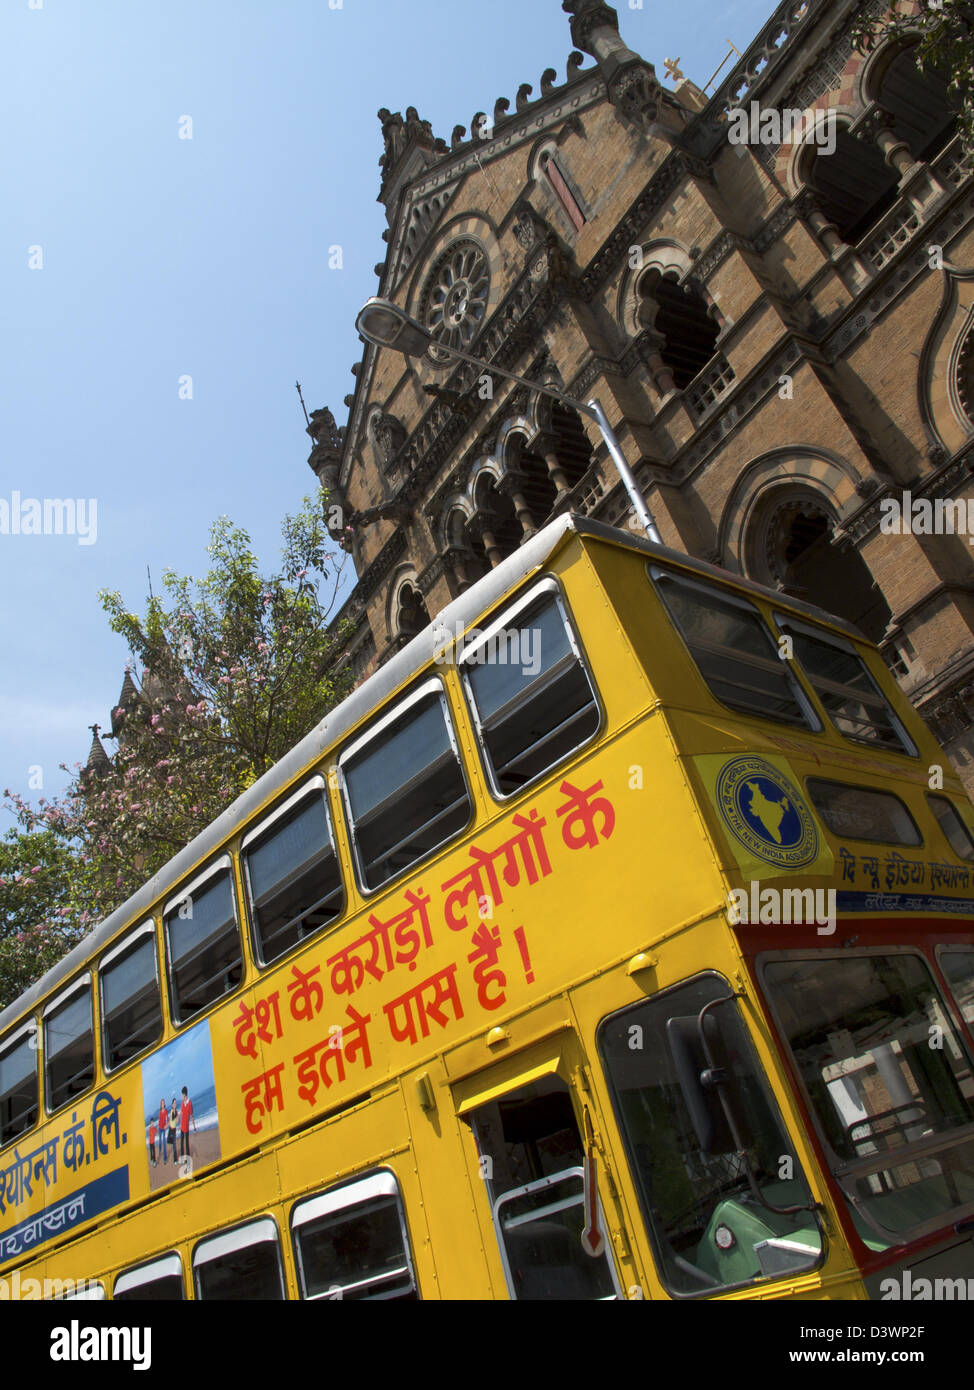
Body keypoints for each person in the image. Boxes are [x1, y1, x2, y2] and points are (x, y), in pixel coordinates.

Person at [179, 1086, 194, 1159]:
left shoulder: (190, 1104)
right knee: (181, 1142)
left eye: (182, 1095)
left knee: (186, 1143)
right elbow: (181, 1113)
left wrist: (194, 1129)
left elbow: (192, 1116)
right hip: (182, 1126)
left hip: (186, 1127)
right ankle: (182, 1157)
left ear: (184, 1095)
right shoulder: (182, 1103)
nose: (181, 1096)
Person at [169, 1097, 179, 1164]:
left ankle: (175, 1159)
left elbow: (177, 1121)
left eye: (175, 1103)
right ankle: (175, 1160)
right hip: (171, 1129)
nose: (175, 1104)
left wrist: (177, 1117)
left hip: (174, 1129)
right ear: (172, 1104)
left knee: (174, 1144)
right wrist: (177, 1116)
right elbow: (173, 1120)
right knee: (174, 1144)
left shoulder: (176, 1111)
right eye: (174, 1103)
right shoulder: (172, 1111)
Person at [158, 1099, 169, 1163]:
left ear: (164, 1104)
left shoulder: (166, 1111)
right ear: (160, 1104)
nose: (162, 1104)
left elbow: (167, 1120)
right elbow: (159, 1120)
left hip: (164, 1129)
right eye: (161, 1103)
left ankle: (165, 1158)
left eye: (163, 1103)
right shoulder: (159, 1112)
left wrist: (166, 1125)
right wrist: (158, 1127)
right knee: (160, 1141)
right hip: (159, 1128)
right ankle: (159, 1149)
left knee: (164, 1143)